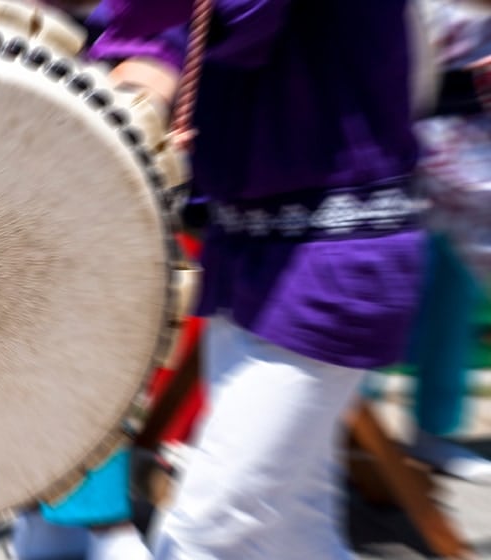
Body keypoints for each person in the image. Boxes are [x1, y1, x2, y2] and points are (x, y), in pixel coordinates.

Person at [82, 1, 424, 557]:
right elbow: (162, 45)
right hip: (249, 250)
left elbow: (238, 14)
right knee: (293, 531)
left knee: (201, 535)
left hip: (331, 257)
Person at [402, 0, 491, 484]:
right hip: (416, 153)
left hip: (478, 161)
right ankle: (347, 436)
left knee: (452, 304)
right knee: (379, 301)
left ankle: (433, 431)